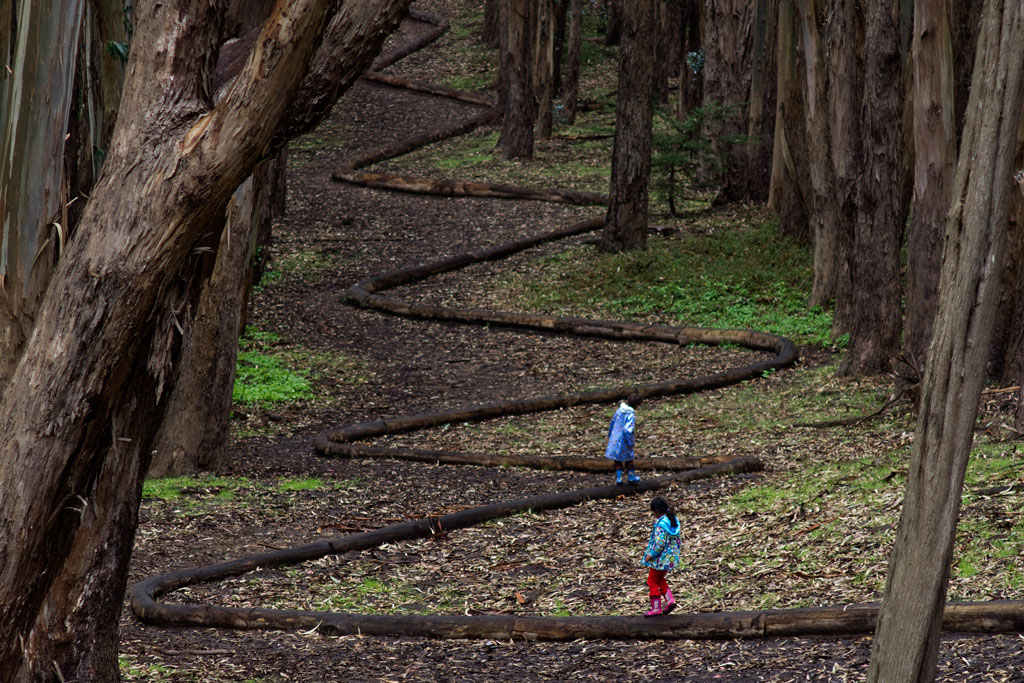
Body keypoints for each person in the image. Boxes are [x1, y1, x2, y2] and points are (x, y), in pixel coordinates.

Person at [641, 496, 681, 617]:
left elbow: (659, 543)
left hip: (660, 559)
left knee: (651, 581)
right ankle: (670, 601)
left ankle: (656, 608)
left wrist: (650, 555)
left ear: (657, 511)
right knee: (659, 579)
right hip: (670, 557)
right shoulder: (671, 520)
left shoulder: (660, 525)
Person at [605, 392, 642, 484]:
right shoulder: (631, 415)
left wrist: (610, 436)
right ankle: (631, 477)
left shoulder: (619, 410)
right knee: (629, 459)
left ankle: (619, 478)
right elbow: (627, 430)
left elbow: (612, 423)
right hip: (624, 441)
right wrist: (630, 442)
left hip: (614, 438)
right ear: (637, 405)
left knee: (617, 460)